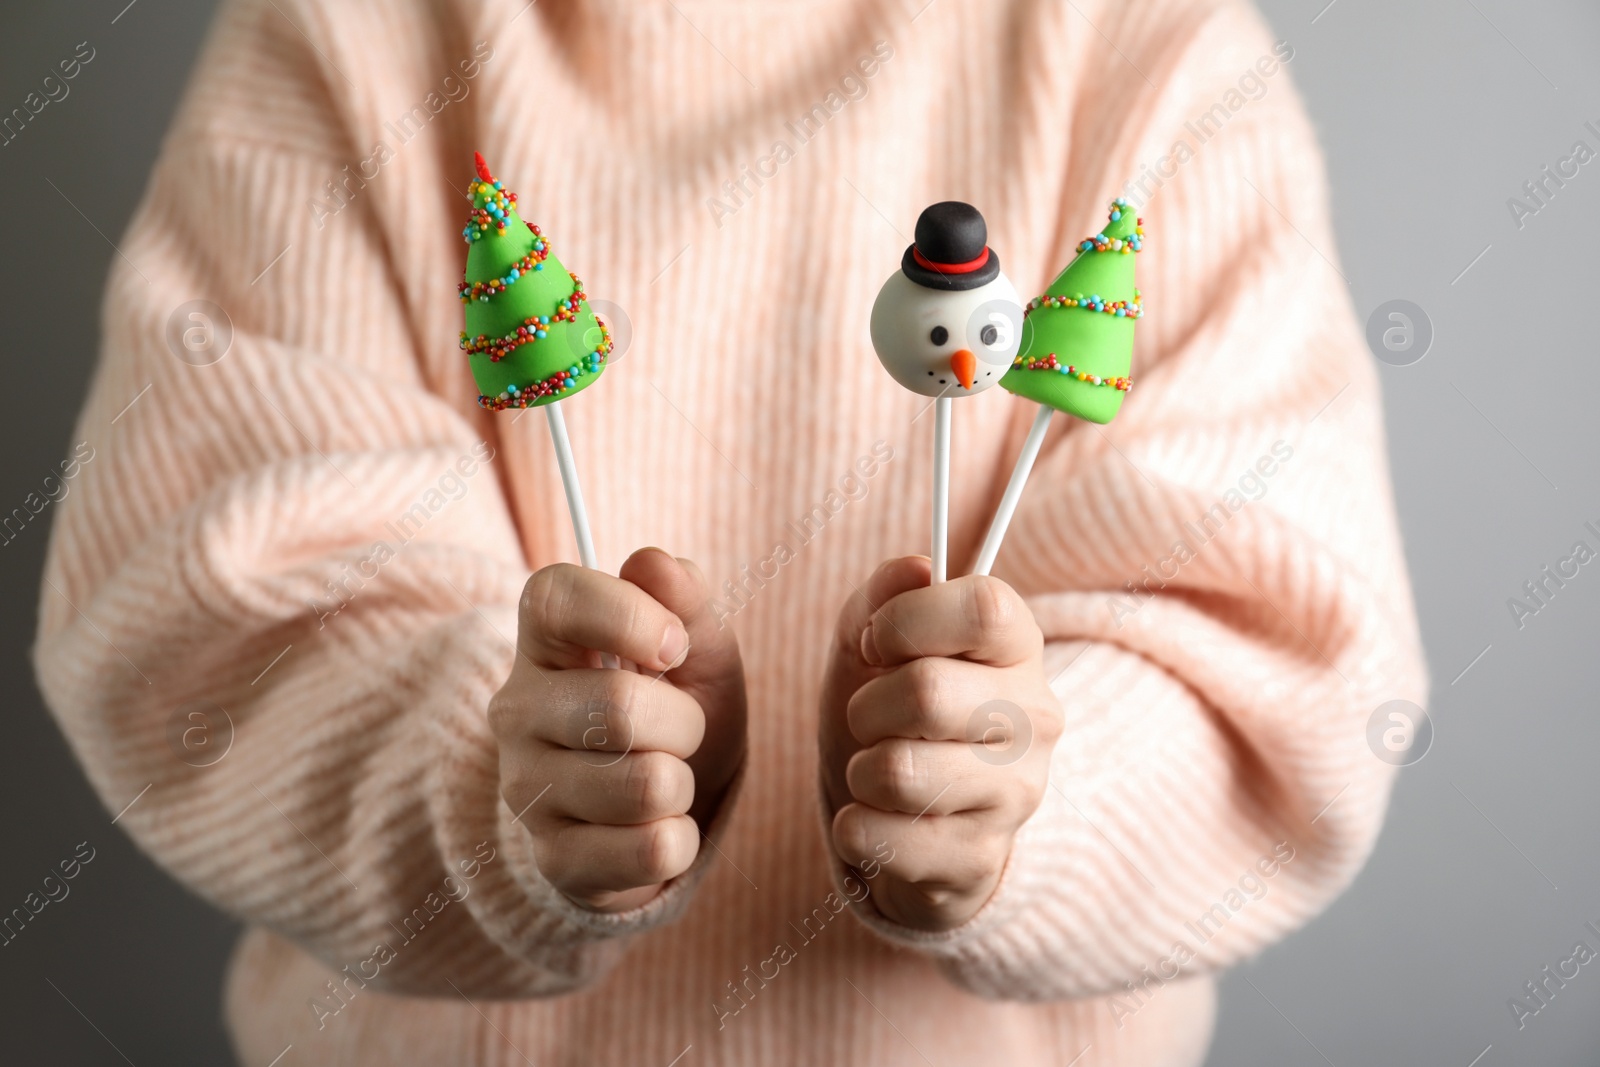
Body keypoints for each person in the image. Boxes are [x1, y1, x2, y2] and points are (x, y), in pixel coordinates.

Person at [34, 0, 1426, 1063]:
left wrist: (1027, 800)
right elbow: (205, 616)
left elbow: (1288, 663)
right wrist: (503, 782)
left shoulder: (1147, 45)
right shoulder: (350, 37)